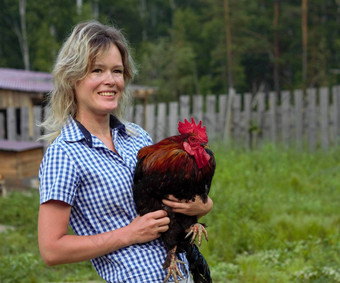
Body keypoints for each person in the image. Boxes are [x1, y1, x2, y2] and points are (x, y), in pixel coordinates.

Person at [38, 20, 213, 283]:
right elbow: (51, 249)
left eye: (117, 71)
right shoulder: (64, 154)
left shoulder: (137, 137)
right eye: (97, 70)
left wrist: (202, 205)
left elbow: (169, 199)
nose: (110, 81)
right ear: (73, 78)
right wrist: (129, 234)